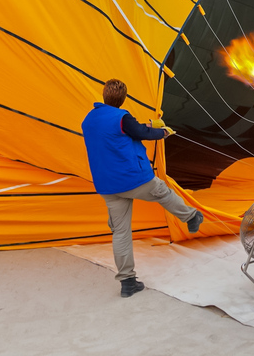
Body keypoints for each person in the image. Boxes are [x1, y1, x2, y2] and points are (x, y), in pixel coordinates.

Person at [82, 79, 203, 297]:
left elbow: (125, 132)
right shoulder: (122, 117)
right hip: (132, 179)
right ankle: (191, 217)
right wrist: (162, 132)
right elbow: (140, 133)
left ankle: (127, 282)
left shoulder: (89, 119)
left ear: (104, 95)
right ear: (123, 98)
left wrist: (143, 127)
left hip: (107, 186)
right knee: (163, 192)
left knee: (120, 233)